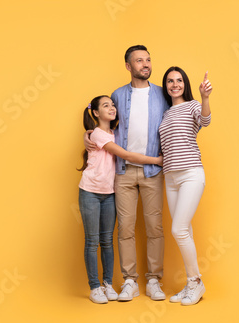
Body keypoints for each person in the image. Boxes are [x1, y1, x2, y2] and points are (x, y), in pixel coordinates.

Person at [84, 45, 169, 302]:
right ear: (128, 66)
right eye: (139, 60)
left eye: (148, 59)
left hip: (153, 170)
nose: (145, 64)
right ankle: (130, 280)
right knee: (125, 229)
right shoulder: (118, 95)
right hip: (122, 171)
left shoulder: (163, 95)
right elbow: (104, 123)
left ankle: (154, 280)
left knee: (155, 227)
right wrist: (87, 133)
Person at [78, 95, 163, 304]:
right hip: (90, 191)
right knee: (92, 241)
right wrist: (157, 160)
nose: (112, 108)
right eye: (106, 105)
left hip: (109, 193)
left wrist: (85, 135)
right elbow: (125, 155)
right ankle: (95, 287)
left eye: (113, 104)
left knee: (107, 240)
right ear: (96, 113)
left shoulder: (115, 133)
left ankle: (107, 283)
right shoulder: (97, 134)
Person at [159, 66, 212, 306]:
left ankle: (195, 282)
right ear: (166, 86)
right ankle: (191, 284)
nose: (174, 84)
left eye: (179, 80)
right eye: (170, 81)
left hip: (191, 174)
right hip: (170, 178)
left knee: (178, 230)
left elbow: (206, 120)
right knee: (185, 230)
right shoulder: (166, 113)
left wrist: (205, 98)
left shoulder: (192, 106)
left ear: (185, 83)